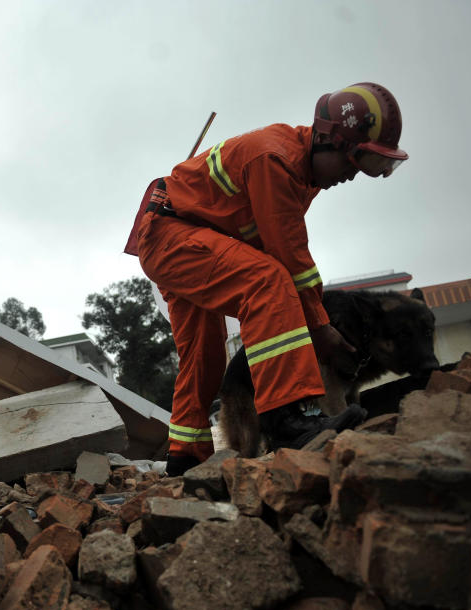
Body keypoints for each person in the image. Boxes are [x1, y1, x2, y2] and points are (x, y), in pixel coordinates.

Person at [125, 83, 408, 476]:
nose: (353, 175)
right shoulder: (275, 160)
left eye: (369, 167)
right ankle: (289, 421)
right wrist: (321, 328)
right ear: (326, 138)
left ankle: (185, 458)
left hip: (177, 236)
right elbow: (289, 258)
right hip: (172, 236)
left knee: (203, 355)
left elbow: (270, 241)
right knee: (268, 282)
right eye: (354, 160)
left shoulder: (301, 172)